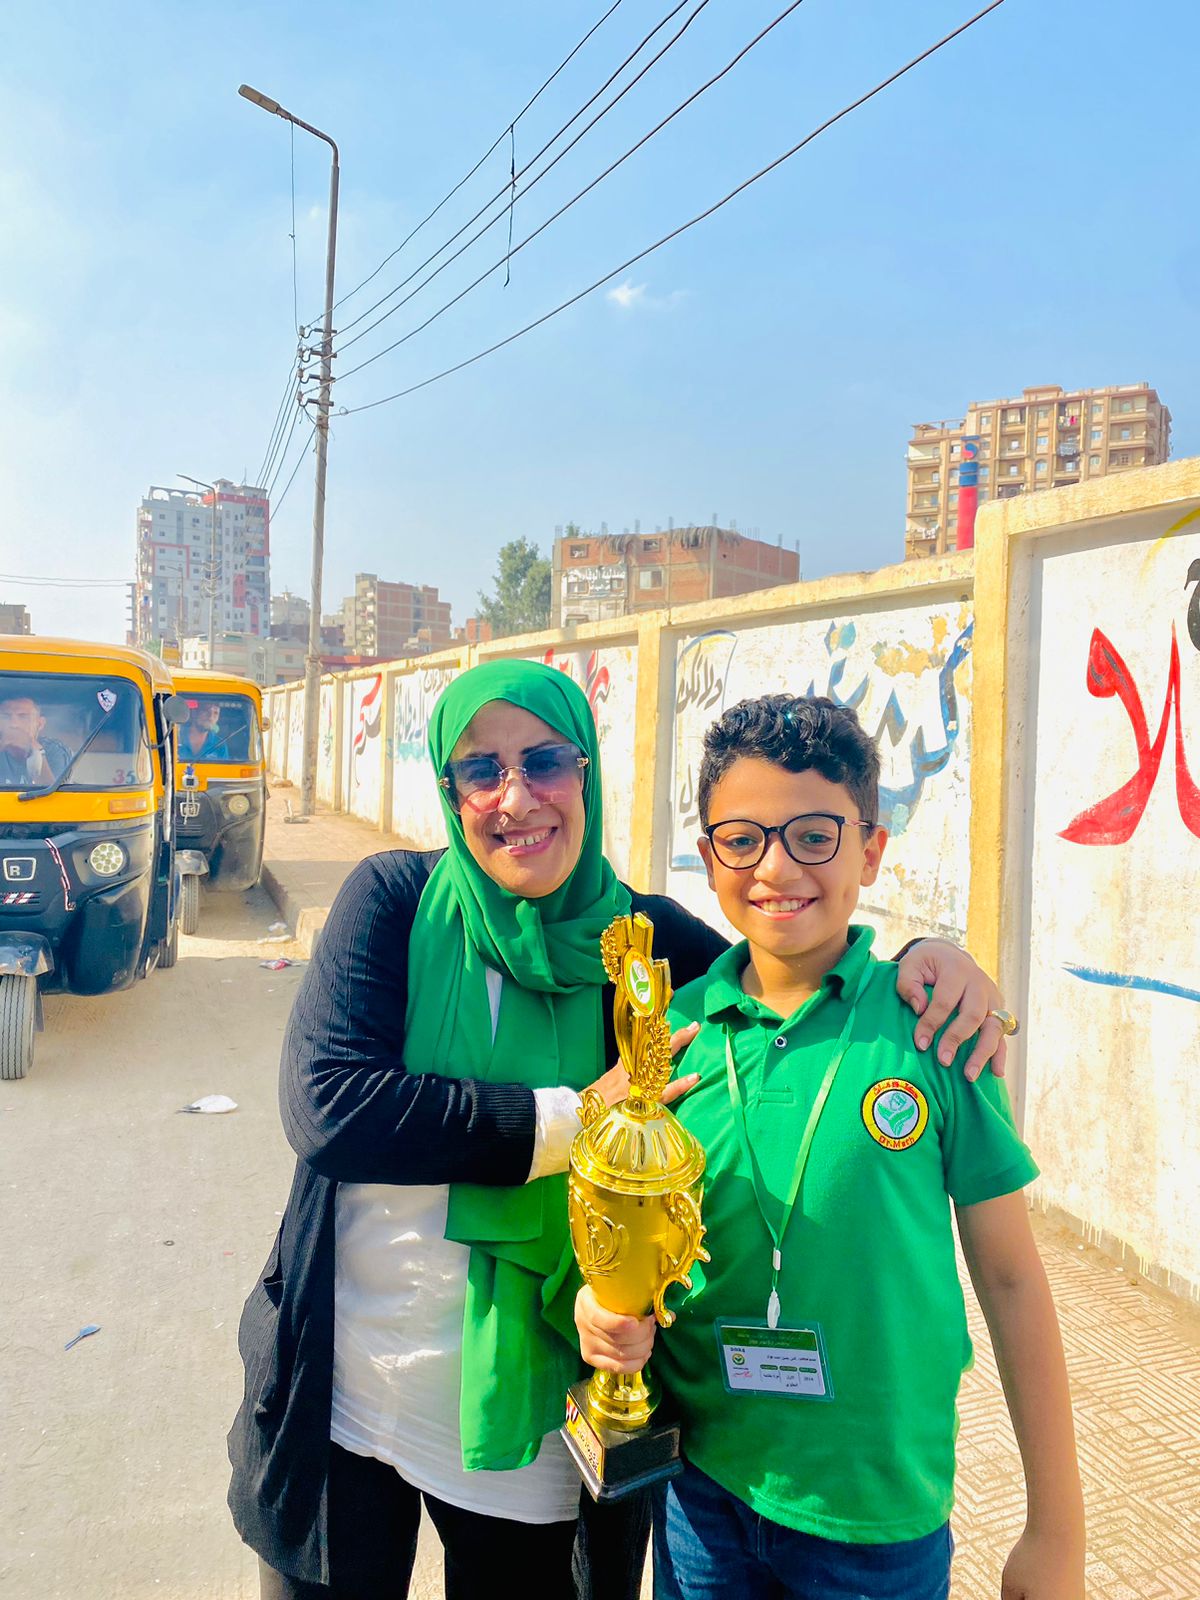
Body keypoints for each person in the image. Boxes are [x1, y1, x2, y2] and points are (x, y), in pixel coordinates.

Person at [227, 662, 1015, 1600]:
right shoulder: (394, 901)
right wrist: (575, 1117)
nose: (516, 798)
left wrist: (931, 961)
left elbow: (783, 964)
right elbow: (328, 1106)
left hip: (532, 1430)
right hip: (347, 1393)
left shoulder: (646, 944)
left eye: (545, 761)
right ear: (449, 789)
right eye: (480, 770)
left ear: (586, 775)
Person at [575, 694, 1084, 1600]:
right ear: (710, 858)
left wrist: (1057, 1530)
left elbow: (1010, 1278)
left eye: (815, 835)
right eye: (743, 839)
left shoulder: (935, 1030)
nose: (777, 867)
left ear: (871, 850)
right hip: (704, 1494)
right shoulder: (671, 1038)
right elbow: (633, 1232)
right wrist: (602, 1307)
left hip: (874, 1519)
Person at [0, 694, 71, 787]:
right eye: (6, 716)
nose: (14, 724)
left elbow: (53, 793)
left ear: (40, 724)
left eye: (23, 716)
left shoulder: (55, 751)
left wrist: (36, 754)